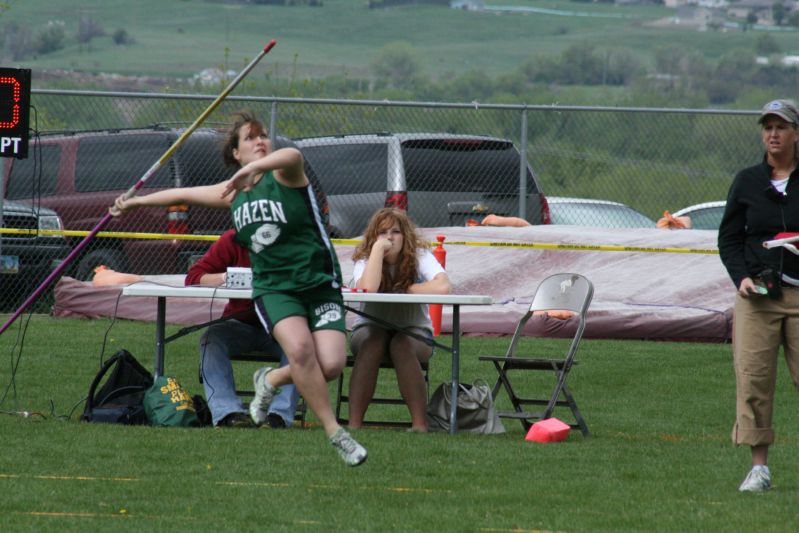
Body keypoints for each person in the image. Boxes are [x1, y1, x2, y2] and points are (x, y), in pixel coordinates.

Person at [111, 111, 367, 466]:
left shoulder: (286, 173)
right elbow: (182, 193)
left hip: (320, 285)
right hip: (276, 289)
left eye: (263, 135)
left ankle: (271, 378)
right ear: (236, 152)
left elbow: (294, 156)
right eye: (250, 138)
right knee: (301, 350)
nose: (261, 141)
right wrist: (135, 202)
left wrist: (249, 172)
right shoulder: (233, 195)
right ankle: (336, 434)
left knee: (333, 364)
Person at [718, 98, 799, 492]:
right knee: (754, 381)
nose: (773, 134)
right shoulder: (747, 181)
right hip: (758, 299)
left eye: (781, 127)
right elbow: (729, 238)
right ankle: (759, 469)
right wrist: (742, 278)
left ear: (795, 134)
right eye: (767, 127)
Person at [348, 208, 451, 432]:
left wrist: (407, 289)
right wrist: (376, 251)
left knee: (401, 344)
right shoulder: (365, 258)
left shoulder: (420, 256)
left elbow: (443, 286)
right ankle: (354, 425)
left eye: (395, 232)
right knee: (373, 342)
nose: (389, 237)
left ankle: (419, 425)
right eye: (382, 232)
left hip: (415, 332)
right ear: (373, 236)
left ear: (405, 235)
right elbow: (368, 288)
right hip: (368, 328)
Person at [185, 229, 300, 429]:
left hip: (283, 324)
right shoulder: (233, 239)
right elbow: (194, 277)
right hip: (240, 323)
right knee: (210, 339)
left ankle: (278, 416)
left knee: (301, 347)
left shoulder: (298, 240)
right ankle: (227, 413)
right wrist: (226, 277)